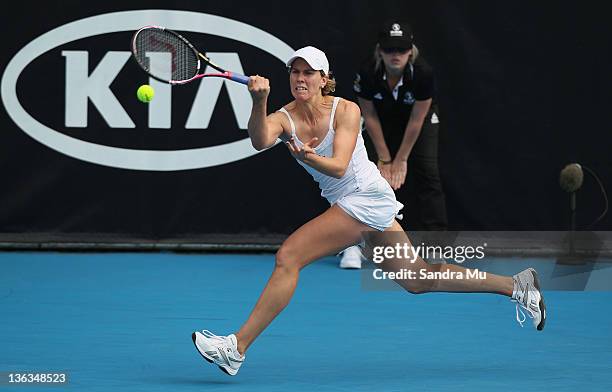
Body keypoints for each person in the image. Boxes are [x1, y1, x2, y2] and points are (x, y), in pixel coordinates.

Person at [191, 46, 546, 376]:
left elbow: (341, 166)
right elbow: (259, 139)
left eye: (309, 73)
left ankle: (236, 347)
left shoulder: (347, 109)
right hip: (350, 202)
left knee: (289, 256)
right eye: (294, 71)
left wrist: (311, 157)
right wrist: (260, 101)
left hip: (364, 195)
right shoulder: (285, 117)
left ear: (324, 79)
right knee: (417, 279)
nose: (300, 78)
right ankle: (517, 286)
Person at [340, 21, 447, 269]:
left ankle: (436, 246)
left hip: (418, 121)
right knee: (358, 172)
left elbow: (416, 120)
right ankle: (353, 245)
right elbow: (369, 115)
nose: (395, 55)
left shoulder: (423, 72)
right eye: (390, 49)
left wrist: (400, 160)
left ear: (411, 50)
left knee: (429, 174)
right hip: (381, 118)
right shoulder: (367, 71)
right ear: (380, 50)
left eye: (401, 49)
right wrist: (385, 158)